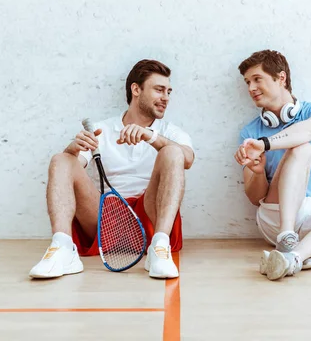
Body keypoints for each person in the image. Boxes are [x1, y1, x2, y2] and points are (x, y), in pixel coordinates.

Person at [29, 59, 194, 280]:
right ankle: (62, 248)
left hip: (150, 214)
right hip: (105, 215)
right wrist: (72, 150)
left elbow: (188, 159)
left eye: (168, 91)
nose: (166, 97)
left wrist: (150, 136)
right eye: (159, 89)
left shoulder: (171, 132)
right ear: (136, 89)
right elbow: (73, 169)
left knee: (173, 152)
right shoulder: (100, 129)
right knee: (61, 159)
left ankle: (159, 248)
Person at [234, 50, 311, 281]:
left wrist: (266, 144)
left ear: (281, 78)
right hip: (277, 214)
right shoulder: (250, 132)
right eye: (247, 82)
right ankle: (286, 236)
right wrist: (258, 172)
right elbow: (255, 198)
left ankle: (292, 258)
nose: (251, 88)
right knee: (302, 148)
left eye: (257, 79)